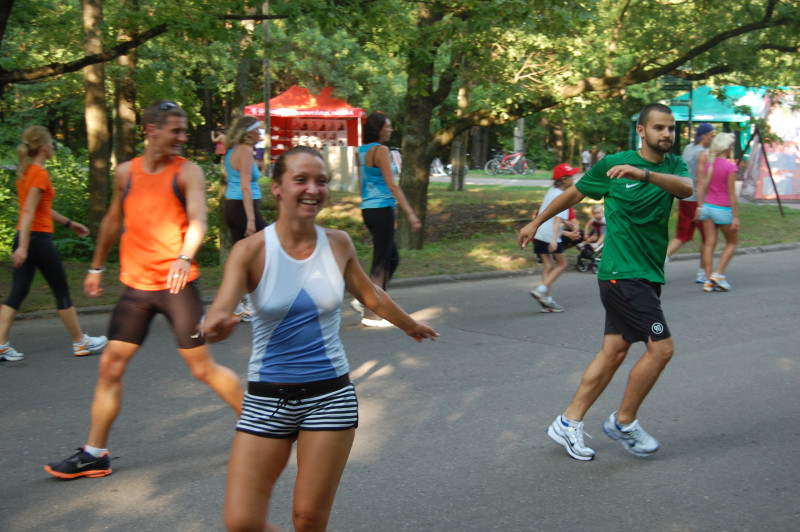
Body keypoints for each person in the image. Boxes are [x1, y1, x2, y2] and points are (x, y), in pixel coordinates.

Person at [200, 146, 438, 531]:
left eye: (322, 181)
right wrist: (216, 324)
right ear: (276, 187)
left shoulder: (338, 243)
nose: (313, 189)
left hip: (330, 398)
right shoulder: (250, 251)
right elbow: (220, 309)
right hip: (266, 398)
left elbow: (371, 294)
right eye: (301, 180)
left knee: (309, 519)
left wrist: (409, 324)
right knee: (242, 521)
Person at [44, 100, 244, 479]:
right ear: (152, 131)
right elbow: (113, 221)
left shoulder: (187, 172)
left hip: (176, 285)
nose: (183, 138)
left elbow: (199, 218)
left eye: (185, 131)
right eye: (176, 130)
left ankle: (259, 427)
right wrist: (96, 266)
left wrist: (185, 256)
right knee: (110, 366)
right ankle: (95, 453)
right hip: (136, 288)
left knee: (202, 368)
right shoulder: (127, 173)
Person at [518, 103, 693, 460]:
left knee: (613, 352)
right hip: (622, 274)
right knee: (662, 348)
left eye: (671, 128)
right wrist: (536, 222)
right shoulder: (612, 165)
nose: (667, 134)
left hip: (646, 273)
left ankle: (568, 422)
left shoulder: (673, 166)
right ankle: (624, 422)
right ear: (642, 131)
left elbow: (686, 189)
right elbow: (574, 193)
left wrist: (644, 175)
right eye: (659, 128)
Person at [0, 127, 107, 362]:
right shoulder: (39, 174)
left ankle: (0, 344)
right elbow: (29, 211)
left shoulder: (26, 172)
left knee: (17, 292)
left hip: (27, 236)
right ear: (44, 147)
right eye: (52, 144)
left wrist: (69, 223)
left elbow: (40, 209)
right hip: (37, 240)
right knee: (61, 290)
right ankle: (81, 342)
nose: (53, 148)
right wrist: (25, 248)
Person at [353, 111, 421, 327]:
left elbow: (361, 182)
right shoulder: (381, 150)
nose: (391, 129)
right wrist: (410, 213)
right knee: (381, 261)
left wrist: (364, 209)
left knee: (392, 258)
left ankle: (369, 298)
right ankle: (372, 314)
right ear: (378, 129)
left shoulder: (361, 151)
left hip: (370, 209)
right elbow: (392, 185)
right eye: (388, 126)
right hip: (381, 208)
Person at [223, 116, 269, 321]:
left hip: (233, 205)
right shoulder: (244, 150)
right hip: (243, 207)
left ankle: (236, 305)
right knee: (270, 247)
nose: (260, 134)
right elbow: (245, 186)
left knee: (241, 258)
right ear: (248, 132)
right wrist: (251, 220)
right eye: (257, 131)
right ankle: (253, 304)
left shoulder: (232, 151)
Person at [665, 122, 714, 283]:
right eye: (711, 136)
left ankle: (662, 259)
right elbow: (701, 179)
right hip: (697, 199)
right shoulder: (703, 153)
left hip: (684, 197)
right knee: (708, 237)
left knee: (682, 235)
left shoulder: (688, 149)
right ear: (704, 136)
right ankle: (703, 272)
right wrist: (701, 204)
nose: (712, 139)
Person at [528, 163, 580, 313]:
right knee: (563, 264)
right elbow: (557, 219)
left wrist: (566, 221)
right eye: (571, 177)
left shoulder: (551, 191)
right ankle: (541, 289)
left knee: (549, 267)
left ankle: (547, 301)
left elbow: (549, 213)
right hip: (550, 235)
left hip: (538, 234)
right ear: (563, 179)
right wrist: (553, 240)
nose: (573, 179)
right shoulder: (562, 196)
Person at [697, 132, 739, 292]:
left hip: (708, 208)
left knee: (709, 243)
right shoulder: (730, 167)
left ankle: (708, 280)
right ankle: (718, 274)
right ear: (727, 148)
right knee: (732, 243)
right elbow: (731, 194)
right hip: (723, 209)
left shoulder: (710, 164)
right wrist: (735, 217)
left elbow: (705, 185)